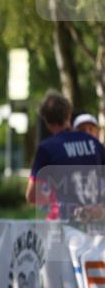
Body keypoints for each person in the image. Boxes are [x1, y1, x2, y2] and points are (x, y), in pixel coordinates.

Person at [26, 91, 105, 219]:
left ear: (46, 120)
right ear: (69, 115)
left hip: (63, 222)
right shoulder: (94, 143)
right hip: (96, 223)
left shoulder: (46, 148)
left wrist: (54, 204)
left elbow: (31, 195)